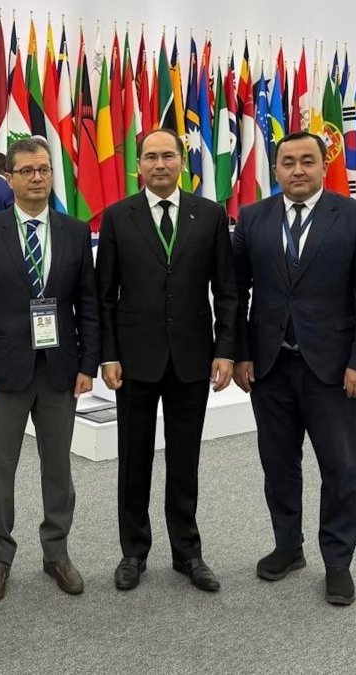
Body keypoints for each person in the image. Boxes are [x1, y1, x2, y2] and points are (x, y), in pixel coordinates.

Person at [232, 131, 356, 606]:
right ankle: (287, 547)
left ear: (324, 167)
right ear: (275, 169)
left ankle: (337, 562)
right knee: (278, 464)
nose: (297, 170)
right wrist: (241, 353)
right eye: (287, 162)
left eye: (307, 161)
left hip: (336, 371)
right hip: (270, 368)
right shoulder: (253, 218)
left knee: (341, 468)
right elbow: (236, 294)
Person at [0, 137, 101, 602]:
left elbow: (89, 305)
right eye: (27, 171)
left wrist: (88, 363)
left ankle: (56, 550)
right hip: (2, 371)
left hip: (60, 370)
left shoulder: (76, 231)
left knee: (58, 466)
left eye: (44, 169)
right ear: (11, 178)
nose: (37, 177)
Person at [96, 129, 238, 593]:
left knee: (185, 459)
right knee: (133, 460)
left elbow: (228, 291)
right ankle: (133, 552)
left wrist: (225, 349)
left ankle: (187, 552)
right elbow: (105, 296)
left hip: (193, 359)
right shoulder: (118, 217)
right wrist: (108, 354)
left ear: (183, 162)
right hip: (134, 360)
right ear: (138, 165)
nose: (160, 164)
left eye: (168, 156)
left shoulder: (210, 215)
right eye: (151, 157)